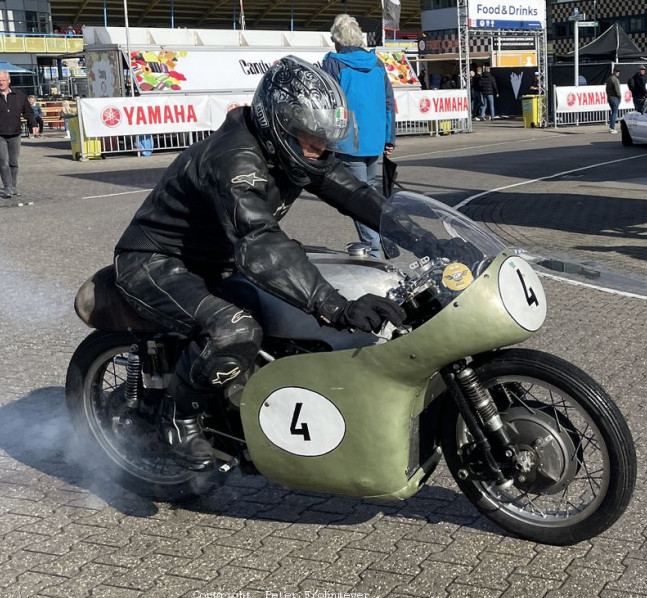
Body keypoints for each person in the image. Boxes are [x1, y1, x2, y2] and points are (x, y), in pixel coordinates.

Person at [113, 56, 480, 471]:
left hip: (219, 259)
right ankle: (177, 420)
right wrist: (335, 307)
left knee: (347, 272)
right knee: (236, 329)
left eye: (325, 140)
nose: (320, 149)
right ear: (277, 124)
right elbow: (259, 243)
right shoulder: (234, 160)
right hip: (159, 262)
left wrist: (427, 241)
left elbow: (358, 196)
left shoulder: (296, 150)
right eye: (311, 139)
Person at [322, 13, 395, 259]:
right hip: (374, 141)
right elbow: (388, 103)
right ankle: (379, 236)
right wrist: (389, 138)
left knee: (356, 196)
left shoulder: (333, 63)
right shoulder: (376, 63)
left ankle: (373, 249)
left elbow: (328, 102)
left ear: (338, 40)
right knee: (370, 191)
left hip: (348, 140)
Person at [0, 71, 38, 198]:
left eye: (3, 80)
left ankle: (13, 186)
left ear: (9, 81)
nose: (1, 82)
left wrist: (33, 124)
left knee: (14, 162)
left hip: (15, 132)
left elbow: (28, 112)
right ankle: (7, 187)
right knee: (3, 160)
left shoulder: (18, 95)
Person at [606, 67, 622, 134]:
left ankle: (611, 127)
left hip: (610, 97)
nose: (618, 73)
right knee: (614, 113)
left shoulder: (609, 78)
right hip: (614, 98)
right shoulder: (615, 79)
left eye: (618, 72)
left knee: (613, 113)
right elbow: (617, 90)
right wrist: (619, 97)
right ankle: (612, 128)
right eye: (617, 71)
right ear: (614, 71)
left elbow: (606, 89)